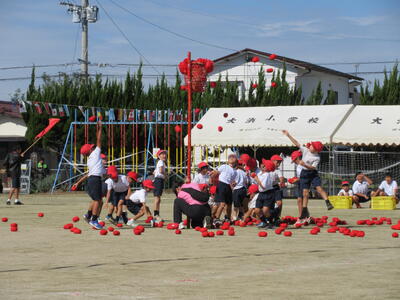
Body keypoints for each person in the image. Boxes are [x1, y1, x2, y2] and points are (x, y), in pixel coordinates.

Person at [282, 130, 334, 224]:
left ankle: (327, 202)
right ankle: (304, 210)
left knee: (319, 188)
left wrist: (304, 164)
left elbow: (313, 167)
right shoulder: (305, 150)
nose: (310, 145)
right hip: (304, 174)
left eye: (312, 145)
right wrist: (288, 135)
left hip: (312, 173)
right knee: (305, 193)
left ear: (315, 149)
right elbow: (296, 143)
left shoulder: (317, 157)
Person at [80, 121, 104, 229]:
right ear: (90, 150)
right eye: (92, 147)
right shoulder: (95, 153)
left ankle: (88, 215)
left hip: (92, 179)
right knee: (97, 200)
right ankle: (94, 220)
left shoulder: (90, 159)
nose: (94, 147)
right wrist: (99, 129)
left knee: (97, 199)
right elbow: (99, 140)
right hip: (94, 179)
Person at [210, 154, 237, 226]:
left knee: (229, 204)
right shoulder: (224, 166)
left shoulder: (235, 171)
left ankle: (227, 218)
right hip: (221, 184)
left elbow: (232, 181)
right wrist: (212, 176)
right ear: (228, 160)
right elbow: (216, 172)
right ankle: (216, 219)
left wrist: (233, 184)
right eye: (230, 157)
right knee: (222, 204)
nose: (231, 158)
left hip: (228, 186)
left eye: (233, 157)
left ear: (236, 160)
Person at [253, 159, 276, 228]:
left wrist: (257, 180)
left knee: (265, 210)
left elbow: (263, 187)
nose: (262, 165)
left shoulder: (267, 175)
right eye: (263, 164)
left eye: (264, 165)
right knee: (257, 210)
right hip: (261, 194)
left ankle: (270, 222)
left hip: (268, 193)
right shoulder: (260, 173)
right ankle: (264, 222)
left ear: (268, 168)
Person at [270, 154, 285, 225]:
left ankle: (277, 217)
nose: (279, 163)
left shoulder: (278, 170)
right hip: (267, 188)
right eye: (277, 162)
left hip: (275, 187)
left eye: (280, 162)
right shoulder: (266, 168)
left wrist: (281, 181)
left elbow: (281, 177)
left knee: (279, 203)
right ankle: (268, 217)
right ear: (272, 161)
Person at [153, 149, 167, 222]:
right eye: (162, 154)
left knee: (158, 198)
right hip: (158, 180)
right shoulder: (161, 162)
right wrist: (166, 174)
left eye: (165, 154)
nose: (164, 155)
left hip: (158, 180)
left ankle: (157, 214)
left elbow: (154, 172)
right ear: (159, 156)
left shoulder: (160, 162)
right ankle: (156, 215)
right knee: (157, 198)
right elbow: (161, 171)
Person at [290, 150, 303, 221]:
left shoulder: (302, 165)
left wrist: (296, 180)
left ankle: (302, 216)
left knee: (300, 200)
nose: (294, 162)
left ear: (298, 158)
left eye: (294, 160)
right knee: (299, 200)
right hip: (299, 183)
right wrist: (295, 179)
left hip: (303, 183)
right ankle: (302, 215)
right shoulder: (298, 166)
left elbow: (304, 176)